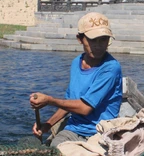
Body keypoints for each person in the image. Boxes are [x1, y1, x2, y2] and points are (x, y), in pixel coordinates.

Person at [31, 12, 123, 147]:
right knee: (54, 149)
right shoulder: (76, 62)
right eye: (92, 40)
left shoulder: (110, 68)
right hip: (74, 129)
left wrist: (50, 101)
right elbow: (69, 103)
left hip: (100, 133)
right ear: (80, 39)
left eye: (103, 39)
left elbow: (85, 108)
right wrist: (48, 125)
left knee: (62, 154)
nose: (98, 45)